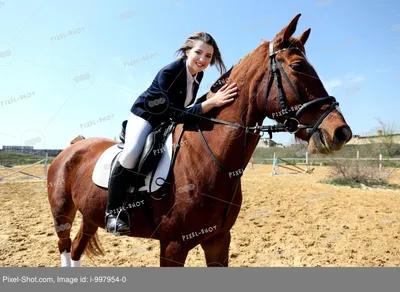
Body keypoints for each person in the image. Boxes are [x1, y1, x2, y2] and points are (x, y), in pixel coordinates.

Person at [105, 31, 238, 236]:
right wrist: (211, 102)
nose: (203, 60)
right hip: (146, 116)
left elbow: (185, 107)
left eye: (208, 56)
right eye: (198, 53)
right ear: (187, 51)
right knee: (132, 153)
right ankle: (112, 214)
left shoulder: (198, 74)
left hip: (166, 120)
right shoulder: (170, 72)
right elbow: (176, 112)